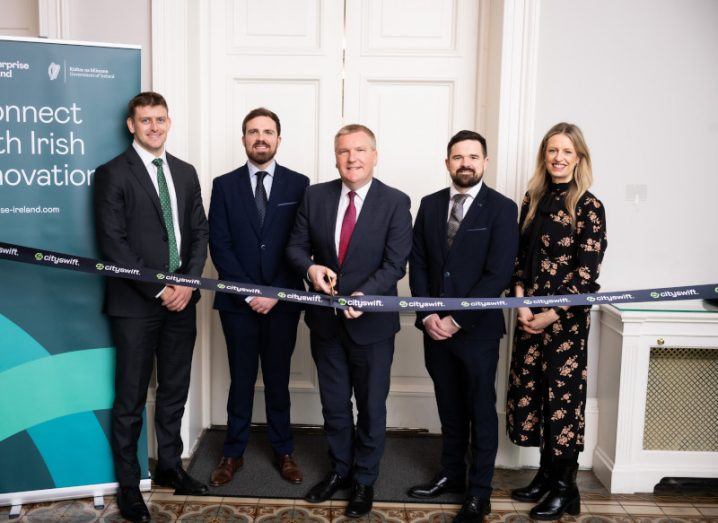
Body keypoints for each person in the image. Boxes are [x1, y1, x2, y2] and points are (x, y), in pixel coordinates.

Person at [93, 92, 209, 523]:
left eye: (160, 119)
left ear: (169, 122)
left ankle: (171, 467)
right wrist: (162, 289)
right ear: (132, 125)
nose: (154, 127)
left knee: (174, 392)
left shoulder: (184, 171)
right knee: (130, 398)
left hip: (183, 302)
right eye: (146, 121)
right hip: (137, 305)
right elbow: (114, 245)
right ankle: (129, 486)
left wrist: (187, 282)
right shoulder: (111, 174)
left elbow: (199, 232)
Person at [286, 124, 412, 517]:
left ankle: (364, 480)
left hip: (372, 327)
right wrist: (311, 270)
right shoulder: (315, 196)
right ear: (335, 156)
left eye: (360, 150)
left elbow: (396, 263)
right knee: (335, 405)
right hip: (326, 324)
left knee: (372, 407)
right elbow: (295, 246)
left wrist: (367, 297)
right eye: (344, 151)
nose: (352, 158)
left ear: (375, 155)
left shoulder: (395, 201)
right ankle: (340, 470)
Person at [408, 130, 518, 522]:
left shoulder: (502, 209)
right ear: (447, 162)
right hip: (434, 329)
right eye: (458, 156)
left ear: (485, 162)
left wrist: (456, 319)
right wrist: (427, 316)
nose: (465, 163)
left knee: (480, 411)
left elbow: (498, 273)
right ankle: (452, 475)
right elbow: (418, 263)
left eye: (473, 156)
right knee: (449, 408)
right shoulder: (430, 204)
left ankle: (479, 492)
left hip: (477, 332)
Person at [506, 122, 607, 520]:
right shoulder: (532, 199)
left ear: (578, 157)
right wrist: (521, 304)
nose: (558, 158)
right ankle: (546, 478)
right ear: (544, 156)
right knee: (532, 395)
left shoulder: (588, 206)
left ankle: (566, 489)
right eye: (552, 151)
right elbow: (516, 259)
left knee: (562, 403)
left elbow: (586, 275)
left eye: (566, 151)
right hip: (529, 316)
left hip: (563, 323)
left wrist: (550, 313)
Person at [208, 107, 309, 486]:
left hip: (283, 304)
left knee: (279, 380)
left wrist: (275, 293)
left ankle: (284, 451)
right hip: (237, 304)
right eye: (253, 132)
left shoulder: (300, 185)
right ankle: (232, 453)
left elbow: (300, 243)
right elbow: (220, 244)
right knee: (241, 379)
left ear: (279, 139)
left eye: (268, 132)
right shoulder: (224, 184)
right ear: (244, 139)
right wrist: (250, 293)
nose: (260, 138)